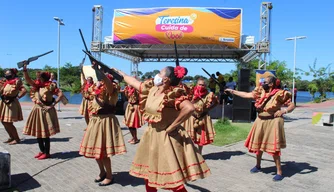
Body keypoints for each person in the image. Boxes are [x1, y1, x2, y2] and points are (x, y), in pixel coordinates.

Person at [114, 66, 211, 192]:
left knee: (172, 179)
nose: (156, 75)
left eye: (160, 73)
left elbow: (189, 108)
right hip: (151, 136)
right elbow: (133, 82)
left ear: (165, 79)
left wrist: (173, 126)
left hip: (166, 139)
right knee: (148, 175)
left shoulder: (172, 94)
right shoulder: (152, 89)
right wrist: (118, 72)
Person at [225, 76, 295, 181]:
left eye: (265, 82)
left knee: (274, 149)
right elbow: (247, 94)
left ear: (271, 84)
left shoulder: (280, 93)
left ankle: (279, 171)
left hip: (273, 121)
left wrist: (284, 111)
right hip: (260, 120)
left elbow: (292, 105)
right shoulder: (261, 91)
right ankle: (258, 165)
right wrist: (232, 91)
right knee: (258, 145)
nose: (262, 83)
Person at [79, 62, 127, 186]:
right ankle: (102, 172)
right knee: (95, 150)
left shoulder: (113, 87)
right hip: (95, 120)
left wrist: (100, 73)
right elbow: (85, 90)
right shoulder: (96, 87)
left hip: (106, 121)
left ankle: (110, 175)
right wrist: (85, 73)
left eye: (103, 76)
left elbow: (109, 86)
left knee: (104, 152)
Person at [22, 64, 64, 160]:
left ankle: (47, 152)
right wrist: (25, 70)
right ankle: (42, 150)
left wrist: (53, 105)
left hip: (46, 111)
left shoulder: (50, 86)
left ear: (43, 78)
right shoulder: (37, 85)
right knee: (38, 132)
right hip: (37, 110)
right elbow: (28, 80)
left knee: (45, 134)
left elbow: (60, 94)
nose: (37, 79)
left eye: (39, 77)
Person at [183, 78, 218, 154]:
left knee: (201, 136)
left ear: (205, 86)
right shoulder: (191, 92)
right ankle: (190, 153)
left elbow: (216, 102)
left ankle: (200, 153)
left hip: (203, 117)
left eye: (203, 85)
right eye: (200, 84)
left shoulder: (209, 94)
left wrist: (208, 109)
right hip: (191, 116)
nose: (201, 86)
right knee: (190, 136)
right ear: (196, 84)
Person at [0, 68, 27, 145]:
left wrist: (17, 97)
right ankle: (11, 137)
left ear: (13, 74)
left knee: (8, 122)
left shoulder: (17, 81)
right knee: (3, 121)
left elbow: (24, 91)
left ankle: (16, 138)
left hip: (11, 103)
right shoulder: (6, 82)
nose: (6, 75)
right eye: (6, 74)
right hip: (4, 102)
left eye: (8, 74)